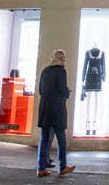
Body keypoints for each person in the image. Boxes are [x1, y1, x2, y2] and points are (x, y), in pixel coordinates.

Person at [36, 49, 73, 177]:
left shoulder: (45, 71)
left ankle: (40, 168)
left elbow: (41, 90)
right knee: (61, 139)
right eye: (64, 58)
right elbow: (62, 89)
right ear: (62, 60)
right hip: (57, 110)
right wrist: (68, 93)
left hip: (45, 110)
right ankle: (62, 166)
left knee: (44, 139)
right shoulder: (61, 71)